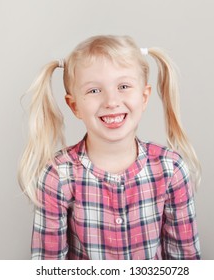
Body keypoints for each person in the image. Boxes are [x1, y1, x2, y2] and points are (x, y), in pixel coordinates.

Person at [18, 35, 201, 260]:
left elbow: (185, 261)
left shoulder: (171, 169)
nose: (111, 101)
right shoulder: (57, 176)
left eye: (123, 86)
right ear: (74, 105)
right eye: (94, 90)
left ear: (144, 97)